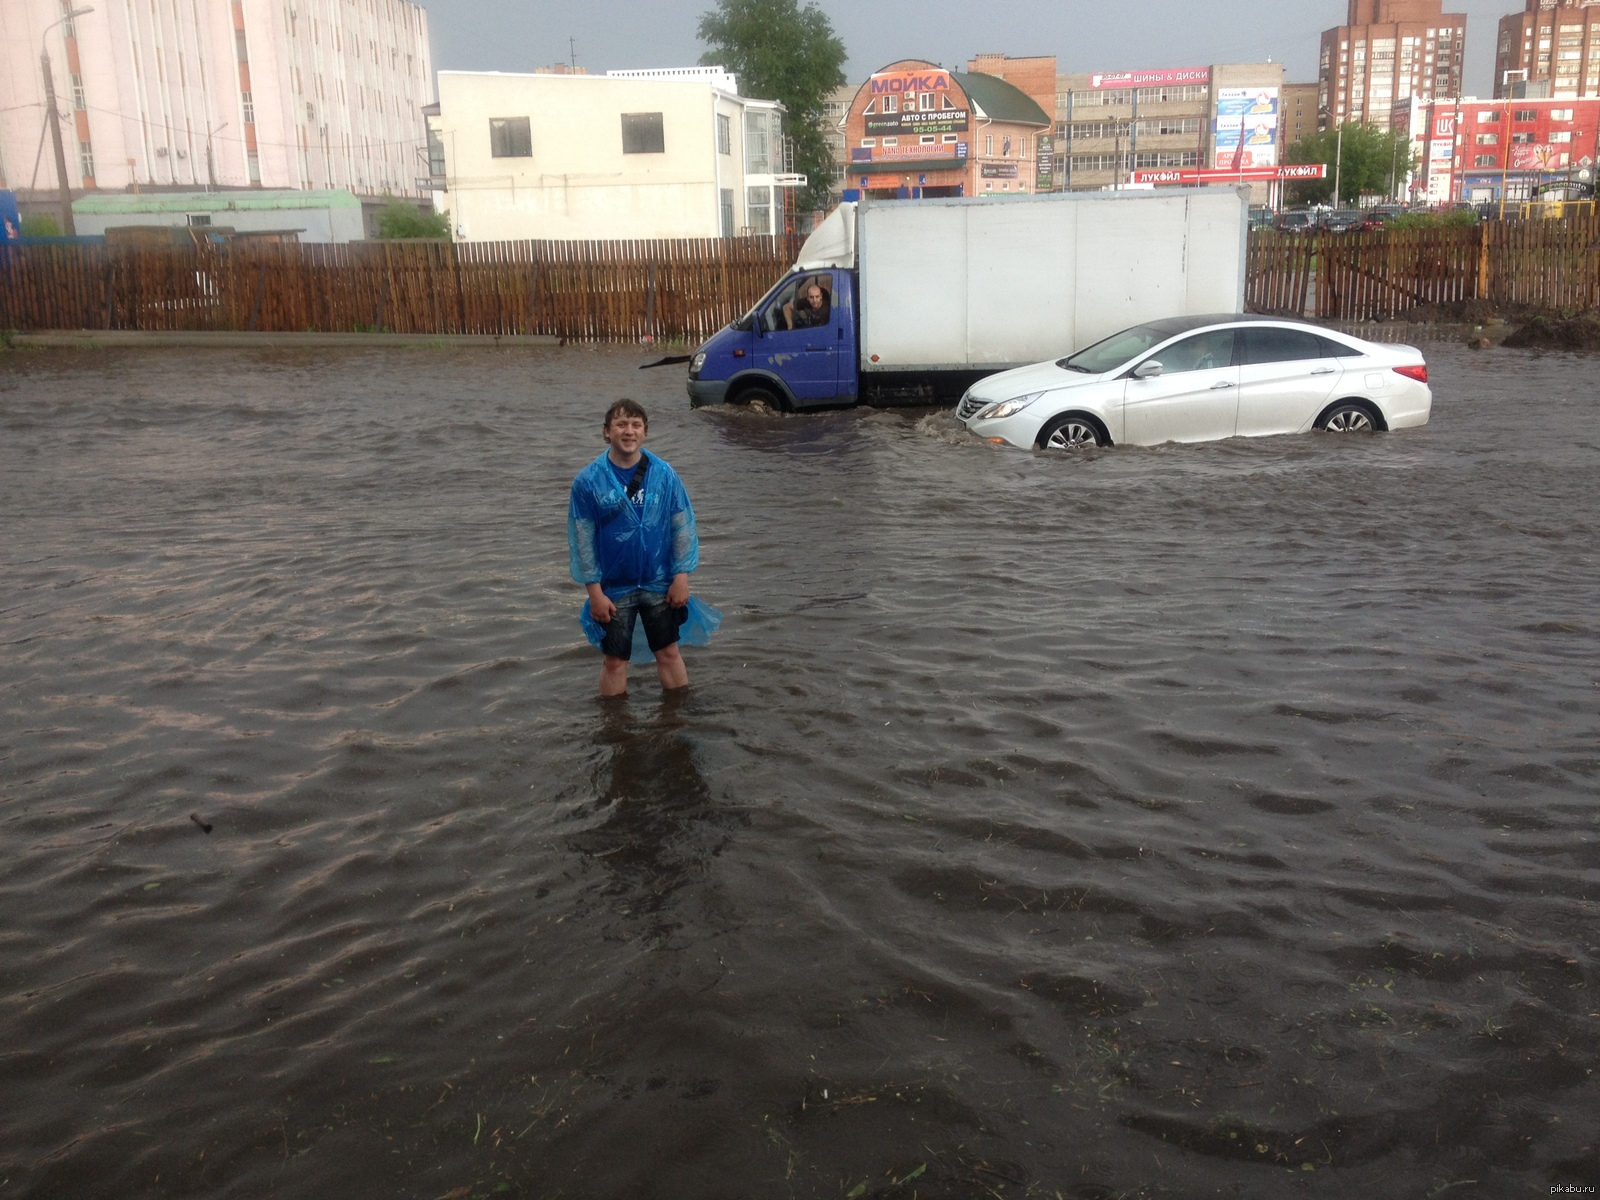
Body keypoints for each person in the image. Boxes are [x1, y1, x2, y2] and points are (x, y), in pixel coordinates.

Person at [568, 399, 704, 696]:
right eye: (621, 424)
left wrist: (682, 577)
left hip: (660, 583)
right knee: (614, 661)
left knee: (669, 653)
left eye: (636, 425)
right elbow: (583, 541)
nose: (628, 431)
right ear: (607, 432)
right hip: (614, 588)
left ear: (644, 433)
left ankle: (677, 717)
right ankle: (615, 729)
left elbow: (683, 526)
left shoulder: (664, 474)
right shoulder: (587, 482)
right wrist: (595, 594)